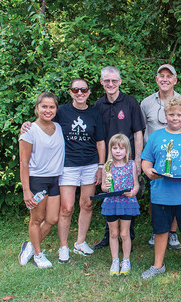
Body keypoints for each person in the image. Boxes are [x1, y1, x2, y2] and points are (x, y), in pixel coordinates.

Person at [140, 97, 181, 280]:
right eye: (171, 114)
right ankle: (157, 265)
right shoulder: (156, 136)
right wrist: (148, 171)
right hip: (161, 193)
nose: (175, 118)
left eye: (179, 115)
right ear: (165, 115)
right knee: (160, 231)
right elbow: (146, 160)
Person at [141, 64, 181, 250]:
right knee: (156, 194)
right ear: (157, 79)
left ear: (175, 80)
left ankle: (172, 232)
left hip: (178, 156)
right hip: (154, 156)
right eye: (161, 76)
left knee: (177, 191)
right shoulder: (146, 103)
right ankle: (158, 229)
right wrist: (143, 163)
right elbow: (141, 130)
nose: (165, 79)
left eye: (168, 76)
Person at [94, 66, 145, 250]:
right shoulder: (98, 105)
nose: (110, 84)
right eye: (106, 80)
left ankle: (128, 236)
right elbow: (98, 137)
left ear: (120, 82)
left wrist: (138, 159)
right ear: (101, 82)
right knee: (110, 195)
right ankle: (109, 236)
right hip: (108, 161)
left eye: (114, 80)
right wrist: (100, 165)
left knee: (129, 194)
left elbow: (138, 132)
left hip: (127, 160)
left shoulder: (130, 102)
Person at [55, 78, 106, 262]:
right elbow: (45, 125)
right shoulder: (61, 112)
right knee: (66, 208)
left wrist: (101, 167)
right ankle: (63, 246)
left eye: (83, 90)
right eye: (75, 90)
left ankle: (80, 242)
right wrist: (28, 126)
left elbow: (100, 142)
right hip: (68, 165)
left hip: (90, 165)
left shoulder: (94, 113)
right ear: (70, 92)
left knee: (87, 204)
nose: (80, 93)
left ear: (89, 92)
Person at [18, 92, 65, 268]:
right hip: (37, 180)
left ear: (56, 109)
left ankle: (30, 245)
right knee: (36, 219)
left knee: (52, 219)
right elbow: (23, 162)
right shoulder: (29, 131)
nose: (48, 110)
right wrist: (26, 190)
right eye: (44, 106)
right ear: (37, 108)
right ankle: (38, 255)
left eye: (51, 107)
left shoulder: (59, 127)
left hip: (55, 179)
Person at [101, 134, 140, 276]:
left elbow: (135, 185)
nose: (118, 151)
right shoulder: (107, 166)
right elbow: (103, 188)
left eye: (121, 148)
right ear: (110, 149)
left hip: (127, 203)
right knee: (114, 233)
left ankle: (126, 260)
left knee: (124, 233)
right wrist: (106, 186)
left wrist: (133, 192)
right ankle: (115, 260)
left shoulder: (131, 165)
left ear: (127, 150)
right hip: (111, 203)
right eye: (115, 148)